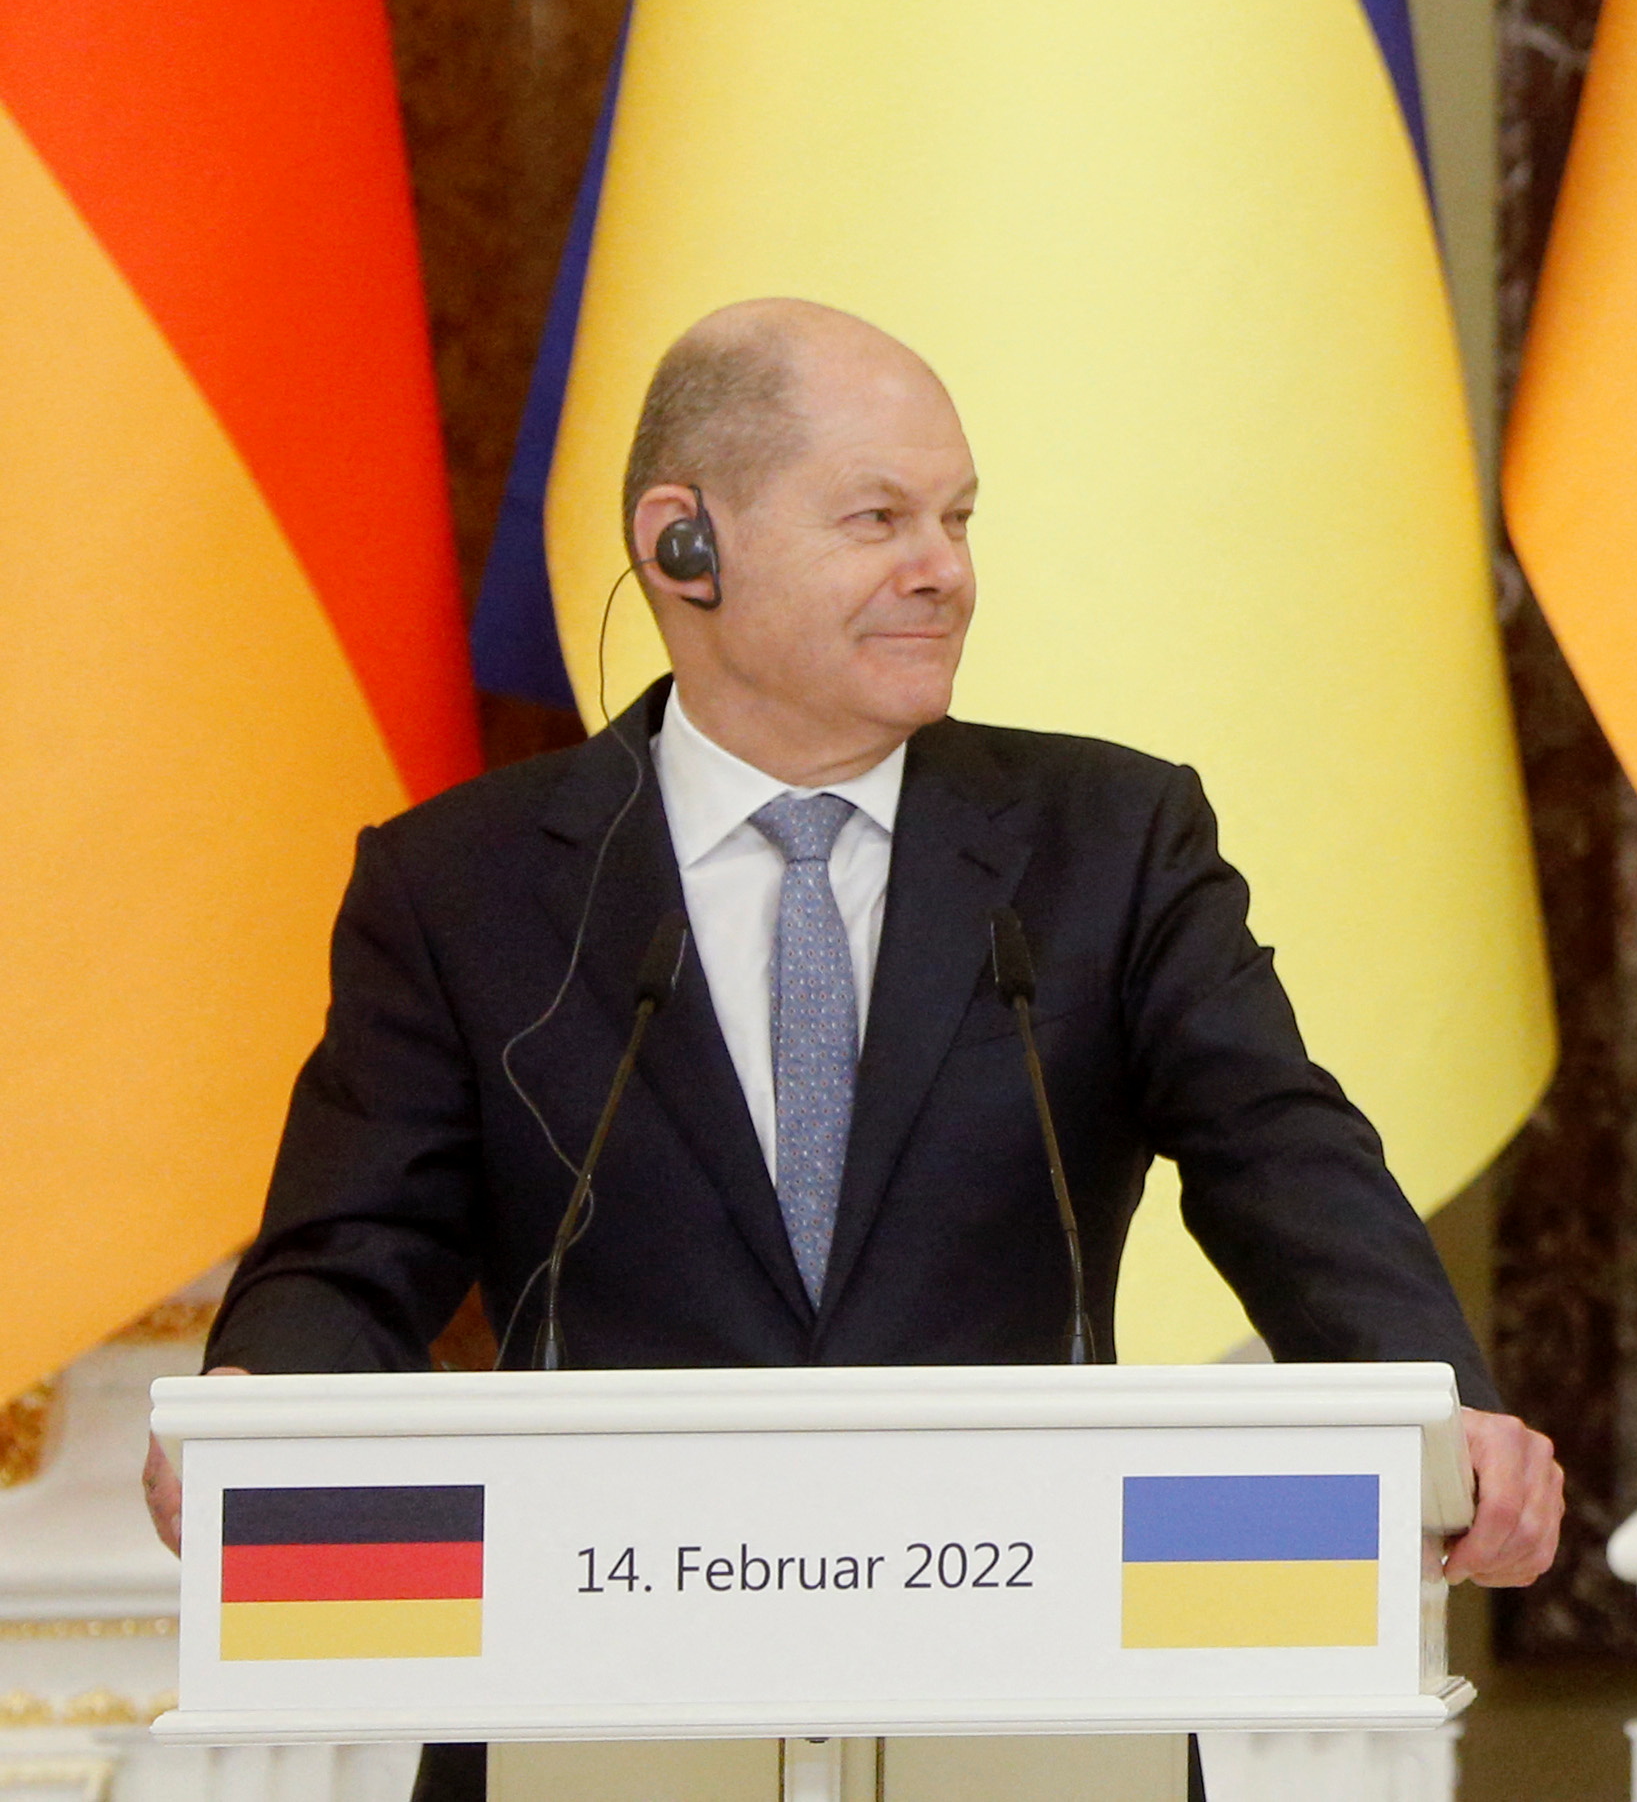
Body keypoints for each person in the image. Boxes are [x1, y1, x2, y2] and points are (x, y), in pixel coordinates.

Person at [155, 298, 1563, 1630]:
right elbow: (356, 1251)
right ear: (682, 544)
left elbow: (1281, 1155)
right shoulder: (461, 882)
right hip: (600, 1648)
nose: (942, 566)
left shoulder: (1106, 840)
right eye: (878, 517)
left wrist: (1435, 1400)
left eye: (955, 518)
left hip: (1032, 1639)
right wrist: (255, 1401)